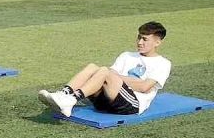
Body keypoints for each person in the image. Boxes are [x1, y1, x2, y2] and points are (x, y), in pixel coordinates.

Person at [38, 21, 171, 118]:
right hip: (106, 100)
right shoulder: (126, 55)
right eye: (139, 37)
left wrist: (115, 78)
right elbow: (110, 76)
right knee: (93, 67)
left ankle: (71, 100)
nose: (139, 42)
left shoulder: (163, 63)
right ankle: (63, 94)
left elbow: (144, 87)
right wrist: (112, 77)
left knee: (103, 71)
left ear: (157, 42)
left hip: (131, 105)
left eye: (145, 39)